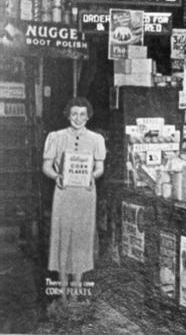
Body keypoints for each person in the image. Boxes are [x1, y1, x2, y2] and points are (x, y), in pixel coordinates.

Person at [42, 97, 106, 302]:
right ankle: (61, 295)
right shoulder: (56, 137)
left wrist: (91, 176)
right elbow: (46, 166)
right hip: (63, 192)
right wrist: (56, 176)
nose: (78, 118)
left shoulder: (97, 139)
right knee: (61, 238)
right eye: (74, 113)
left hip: (85, 194)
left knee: (81, 239)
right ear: (68, 115)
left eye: (82, 114)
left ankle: (76, 294)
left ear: (88, 116)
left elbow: (99, 168)